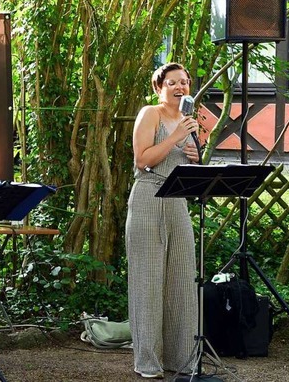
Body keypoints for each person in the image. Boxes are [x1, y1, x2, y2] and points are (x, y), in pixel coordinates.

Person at [125, 63, 200, 379]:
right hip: (148, 198)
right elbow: (142, 160)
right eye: (173, 82)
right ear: (159, 87)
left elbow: (189, 168)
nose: (180, 87)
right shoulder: (150, 114)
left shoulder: (189, 121)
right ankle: (149, 363)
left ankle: (181, 359)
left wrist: (195, 154)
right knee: (148, 282)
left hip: (177, 201)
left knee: (183, 282)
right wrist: (177, 138)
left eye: (184, 82)